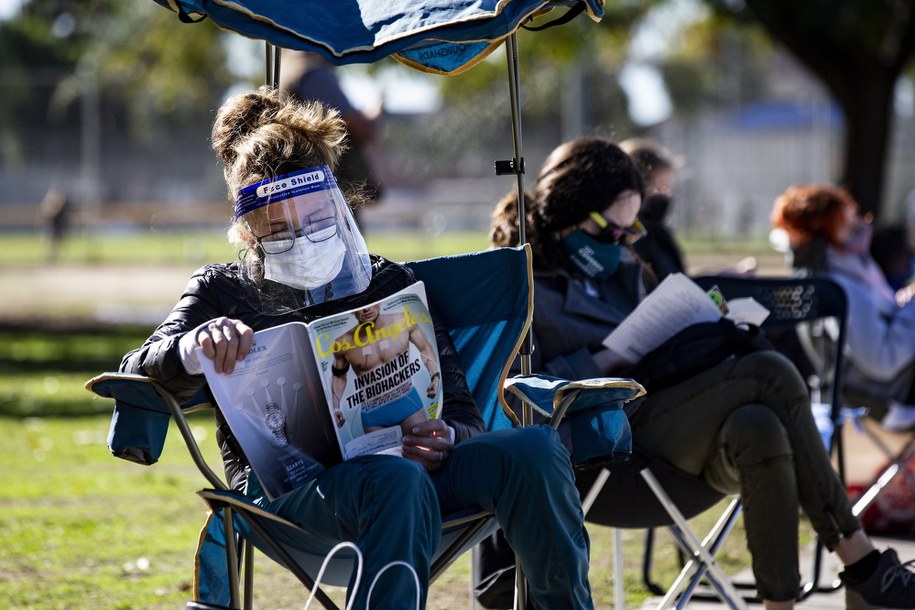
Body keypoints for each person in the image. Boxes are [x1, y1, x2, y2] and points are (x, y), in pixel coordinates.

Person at [119, 86, 595, 610]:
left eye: (318, 220)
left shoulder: (388, 283)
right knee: (396, 478)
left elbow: (461, 411)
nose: (303, 237)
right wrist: (193, 348)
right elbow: (136, 368)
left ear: (340, 207)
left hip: (411, 474)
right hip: (291, 496)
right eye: (278, 230)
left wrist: (449, 435)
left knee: (535, 449)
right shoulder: (220, 290)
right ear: (247, 233)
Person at [486, 136, 915, 610]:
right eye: (610, 231)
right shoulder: (520, 286)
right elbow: (514, 400)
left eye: (630, 233)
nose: (621, 244)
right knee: (768, 370)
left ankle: (783, 605)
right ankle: (863, 566)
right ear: (568, 213)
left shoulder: (626, 269)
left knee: (759, 425)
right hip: (597, 455)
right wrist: (603, 362)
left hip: (667, 434)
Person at [280, 50, 384, 225]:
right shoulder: (313, 73)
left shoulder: (288, 66)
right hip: (328, 195)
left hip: (304, 194)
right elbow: (363, 131)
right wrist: (377, 109)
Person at [331, 302, 441, 434]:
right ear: (351, 310)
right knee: (385, 450)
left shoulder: (403, 320)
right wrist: (335, 407)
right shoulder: (343, 342)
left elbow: (425, 348)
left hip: (407, 401)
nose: (366, 308)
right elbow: (339, 375)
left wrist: (435, 377)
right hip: (373, 414)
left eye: (370, 302)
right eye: (360, 306)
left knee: (423, 444)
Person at [618, 137, 686, 281]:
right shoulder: (624, 238)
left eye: (667, 190)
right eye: (657, 189)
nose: (663, 197)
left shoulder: (659, 234)